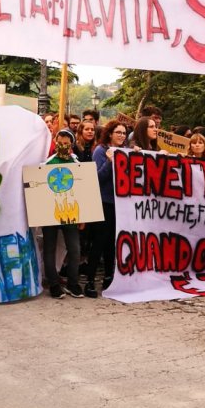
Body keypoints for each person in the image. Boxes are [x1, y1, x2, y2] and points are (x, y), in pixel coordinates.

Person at [84, 120, 127, 298]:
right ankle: (90, 281)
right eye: (118, 132)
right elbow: (97, 177)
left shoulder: (124, 151)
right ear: (110, 134)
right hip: (103, 202)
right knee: (99, 243)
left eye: (124, 133)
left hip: (118, 203)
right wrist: (109, 162)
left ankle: (109, 278)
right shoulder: (101, 151)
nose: (122, 136)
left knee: (111, 243)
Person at [40, 129, 84, 299]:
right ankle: (53, 284)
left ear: (71, 144)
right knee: (49, 248)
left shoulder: (76, 163)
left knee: (74, 249)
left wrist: (83, 217)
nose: (63, 146)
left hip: (70, 212)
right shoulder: (47, 163)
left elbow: (82, 189)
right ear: (55, 142)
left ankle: (73, 283)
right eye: (60, 143)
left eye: (66, 143)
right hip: (50, 212)